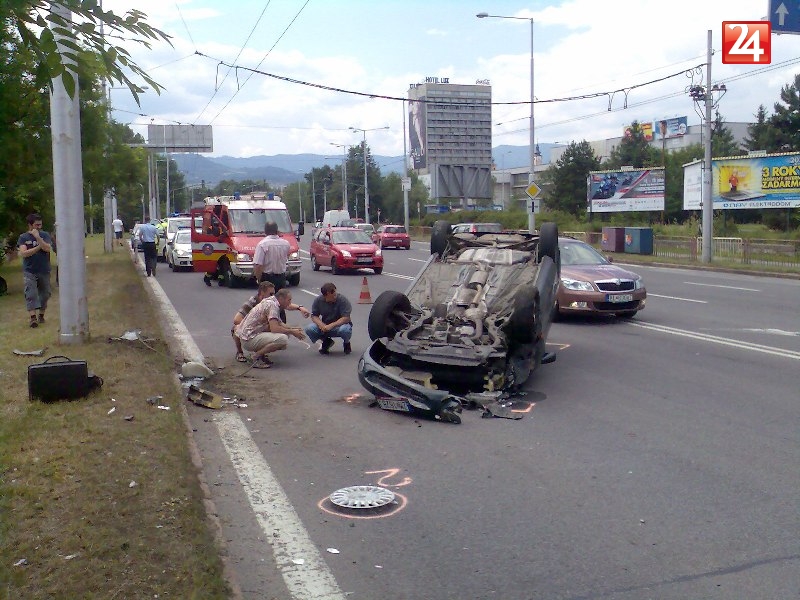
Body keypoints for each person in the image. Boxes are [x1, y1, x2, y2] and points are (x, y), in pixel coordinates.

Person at [231, 281, 310, 362]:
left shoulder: (271, 301)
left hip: (252, 333)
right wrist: (292, 331)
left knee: (282, 334)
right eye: (289, 300)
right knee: (282, 339)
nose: (290, 303)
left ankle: (260, 353)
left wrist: (293, 329)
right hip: (247, 337)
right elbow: (275, 328)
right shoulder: (269, 304)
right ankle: (255, 356)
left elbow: (280, 322)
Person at [17, 213, 53, 328]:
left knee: (45, 294)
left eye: (40, 225)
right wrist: (39, 247)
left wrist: (38, 238)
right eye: (37, 225)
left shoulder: (45, 235)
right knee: (31, 293)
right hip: (30, 270)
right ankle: (33, 318)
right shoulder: (23, 237)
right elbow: (24, 253)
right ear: (30, 225)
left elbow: (47, 248)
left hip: (44, 269)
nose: (39, 227)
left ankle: (41, 315)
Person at [304, 282, 353, 355]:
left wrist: (332, 325)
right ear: (326, 295)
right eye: (332, 295)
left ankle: (346, 343)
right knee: (309, 328)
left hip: (339, 326)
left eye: (335, 293)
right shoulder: (318, 300)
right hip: (325, 326)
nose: (334, 296)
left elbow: (346, 318)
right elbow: (314, 316)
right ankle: (326, 341)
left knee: (345, 329)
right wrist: (321, 325)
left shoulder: (342, 300)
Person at [252, 221, 290, 290]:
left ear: (265, 231)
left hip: (267, 278)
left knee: (268, 297)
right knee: (280, 296)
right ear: (277, 230)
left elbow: (258, 265)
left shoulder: (262, 244)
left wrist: (259, 279)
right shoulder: (286, 244)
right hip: (282, 277)